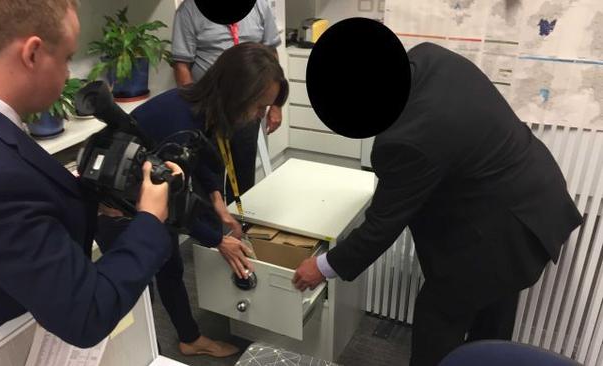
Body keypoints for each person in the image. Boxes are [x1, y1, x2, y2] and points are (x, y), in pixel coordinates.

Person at [292, 42, 583, 366]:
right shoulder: (427, 57)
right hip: (537, 201)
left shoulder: (406, 140)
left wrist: (321, 267)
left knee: (438, 317)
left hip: (507, 230)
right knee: (493, 312)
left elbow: (380, 229)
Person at [0, 0, 182, 356]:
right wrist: (152, 218)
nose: (67, 76)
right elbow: (86, 313)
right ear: (32, 53)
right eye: (65, 59)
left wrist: (90, 199)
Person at [97, 42, 289, 358]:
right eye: (258, 106)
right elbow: (173, 203)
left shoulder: (205, 111)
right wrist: (218, 239)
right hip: (117, 206)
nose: (259, 115)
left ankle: (189, 338)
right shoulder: (179, 117)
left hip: (150, 196)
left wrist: (216, 200)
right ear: (237, 93)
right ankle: (143, 357)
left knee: (169, 266)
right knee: (139, 294)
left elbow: (198, 158)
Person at [171, 0, 282, 204]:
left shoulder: (260, 6)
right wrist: (192, 112)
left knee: (243, 177)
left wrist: (276, 104)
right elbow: (181, 65)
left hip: (248, 108)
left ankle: (241, 225)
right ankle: (212, 232)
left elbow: (271, 56)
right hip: (210, 111)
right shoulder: (189, 10)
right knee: (207, 178)